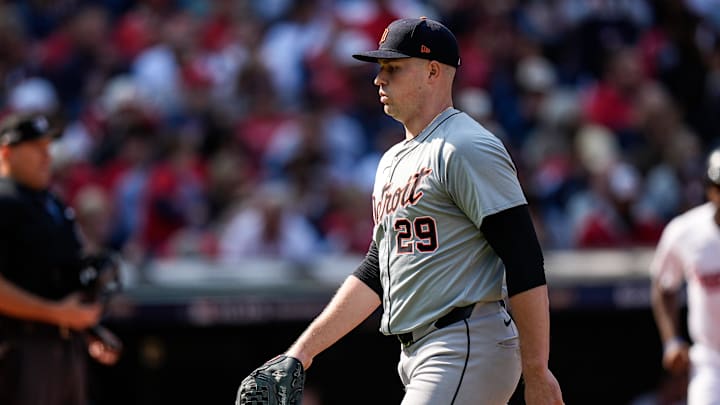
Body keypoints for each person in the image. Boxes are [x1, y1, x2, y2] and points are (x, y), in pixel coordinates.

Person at [276, 17, 564, 404]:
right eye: (380, 68)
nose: (379, 79)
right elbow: (376, 272)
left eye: (393, 68)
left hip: (464, 340)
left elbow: (523, 255)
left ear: (432, 71)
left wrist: (537, 369)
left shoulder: (465, 145)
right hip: (420, 353)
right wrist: (301, 352)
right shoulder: (392, 160)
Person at [0, 112, 115, 405]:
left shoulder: (52, 202)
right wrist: (56, 313)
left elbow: (60, 273)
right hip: (19, 347)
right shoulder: (4, 201)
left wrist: (88, 327)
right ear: (6, 153)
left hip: (64, 348)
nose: (46, 156)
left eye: (47, 147)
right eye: (35, 148)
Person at [650, 147, 720, 405]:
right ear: (710, 190)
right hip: (711, 359)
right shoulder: (686, 231)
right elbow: (664, 287)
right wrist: (671, 341)